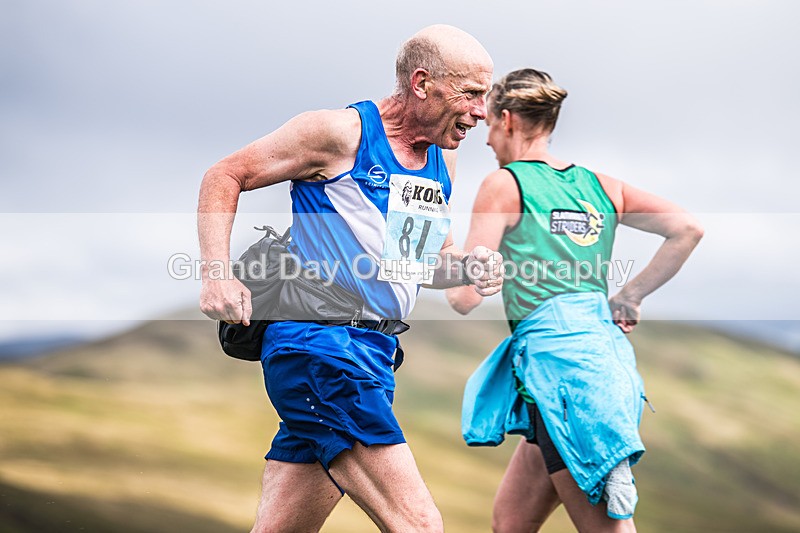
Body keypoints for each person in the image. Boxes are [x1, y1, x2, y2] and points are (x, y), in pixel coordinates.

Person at [198, 25, 502, 532]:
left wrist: (468, 265)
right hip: (319, 347)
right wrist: (215, 274)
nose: (481, 112)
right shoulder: (339, 133)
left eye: (485, 97)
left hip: (374, 357)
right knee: (419, 524)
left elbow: (417, 266)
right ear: (423, 83)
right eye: (471, 94)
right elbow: (225, 174)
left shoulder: (439, 159)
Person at [446, 68, 704, 532]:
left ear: (506, 120)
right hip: (598, 368)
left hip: (560, 375)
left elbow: (464, 297)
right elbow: (687, 228)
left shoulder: (505, 185)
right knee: (510, 521)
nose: (485, 142)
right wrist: (630, 295)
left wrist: (441, 248)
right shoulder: (602, 187)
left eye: (487, 127)